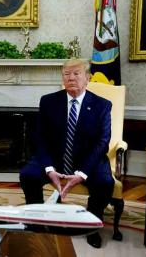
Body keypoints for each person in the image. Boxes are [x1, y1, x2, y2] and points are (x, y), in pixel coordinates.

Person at [19, 59, 114, 248]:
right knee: (27, 175)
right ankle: (37, 221)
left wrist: (81, 174)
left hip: (88, 160)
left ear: (87, 78)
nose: (70, 78)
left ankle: (91, 226)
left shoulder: (102, 105)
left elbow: (102, 143)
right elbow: (40, 138)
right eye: (66, 74)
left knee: (105, 183)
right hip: (54, 158)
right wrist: (48, 168)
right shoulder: (48, 101)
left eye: (76, 73)